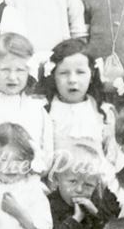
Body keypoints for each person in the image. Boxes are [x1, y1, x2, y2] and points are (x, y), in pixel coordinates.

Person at [0, 33, 53, 172]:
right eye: (5, 70)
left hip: (25, 185)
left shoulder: (37, 111)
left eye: (20, 70)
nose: (12, 77)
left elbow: (47, 158)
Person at [39, 38, 117, 166]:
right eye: (64, 73)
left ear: (91, 75)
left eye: (80, 72)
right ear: (53, 76)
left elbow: (112, 156)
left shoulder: (103, 112)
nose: (72, 80)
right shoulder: (45, 111)